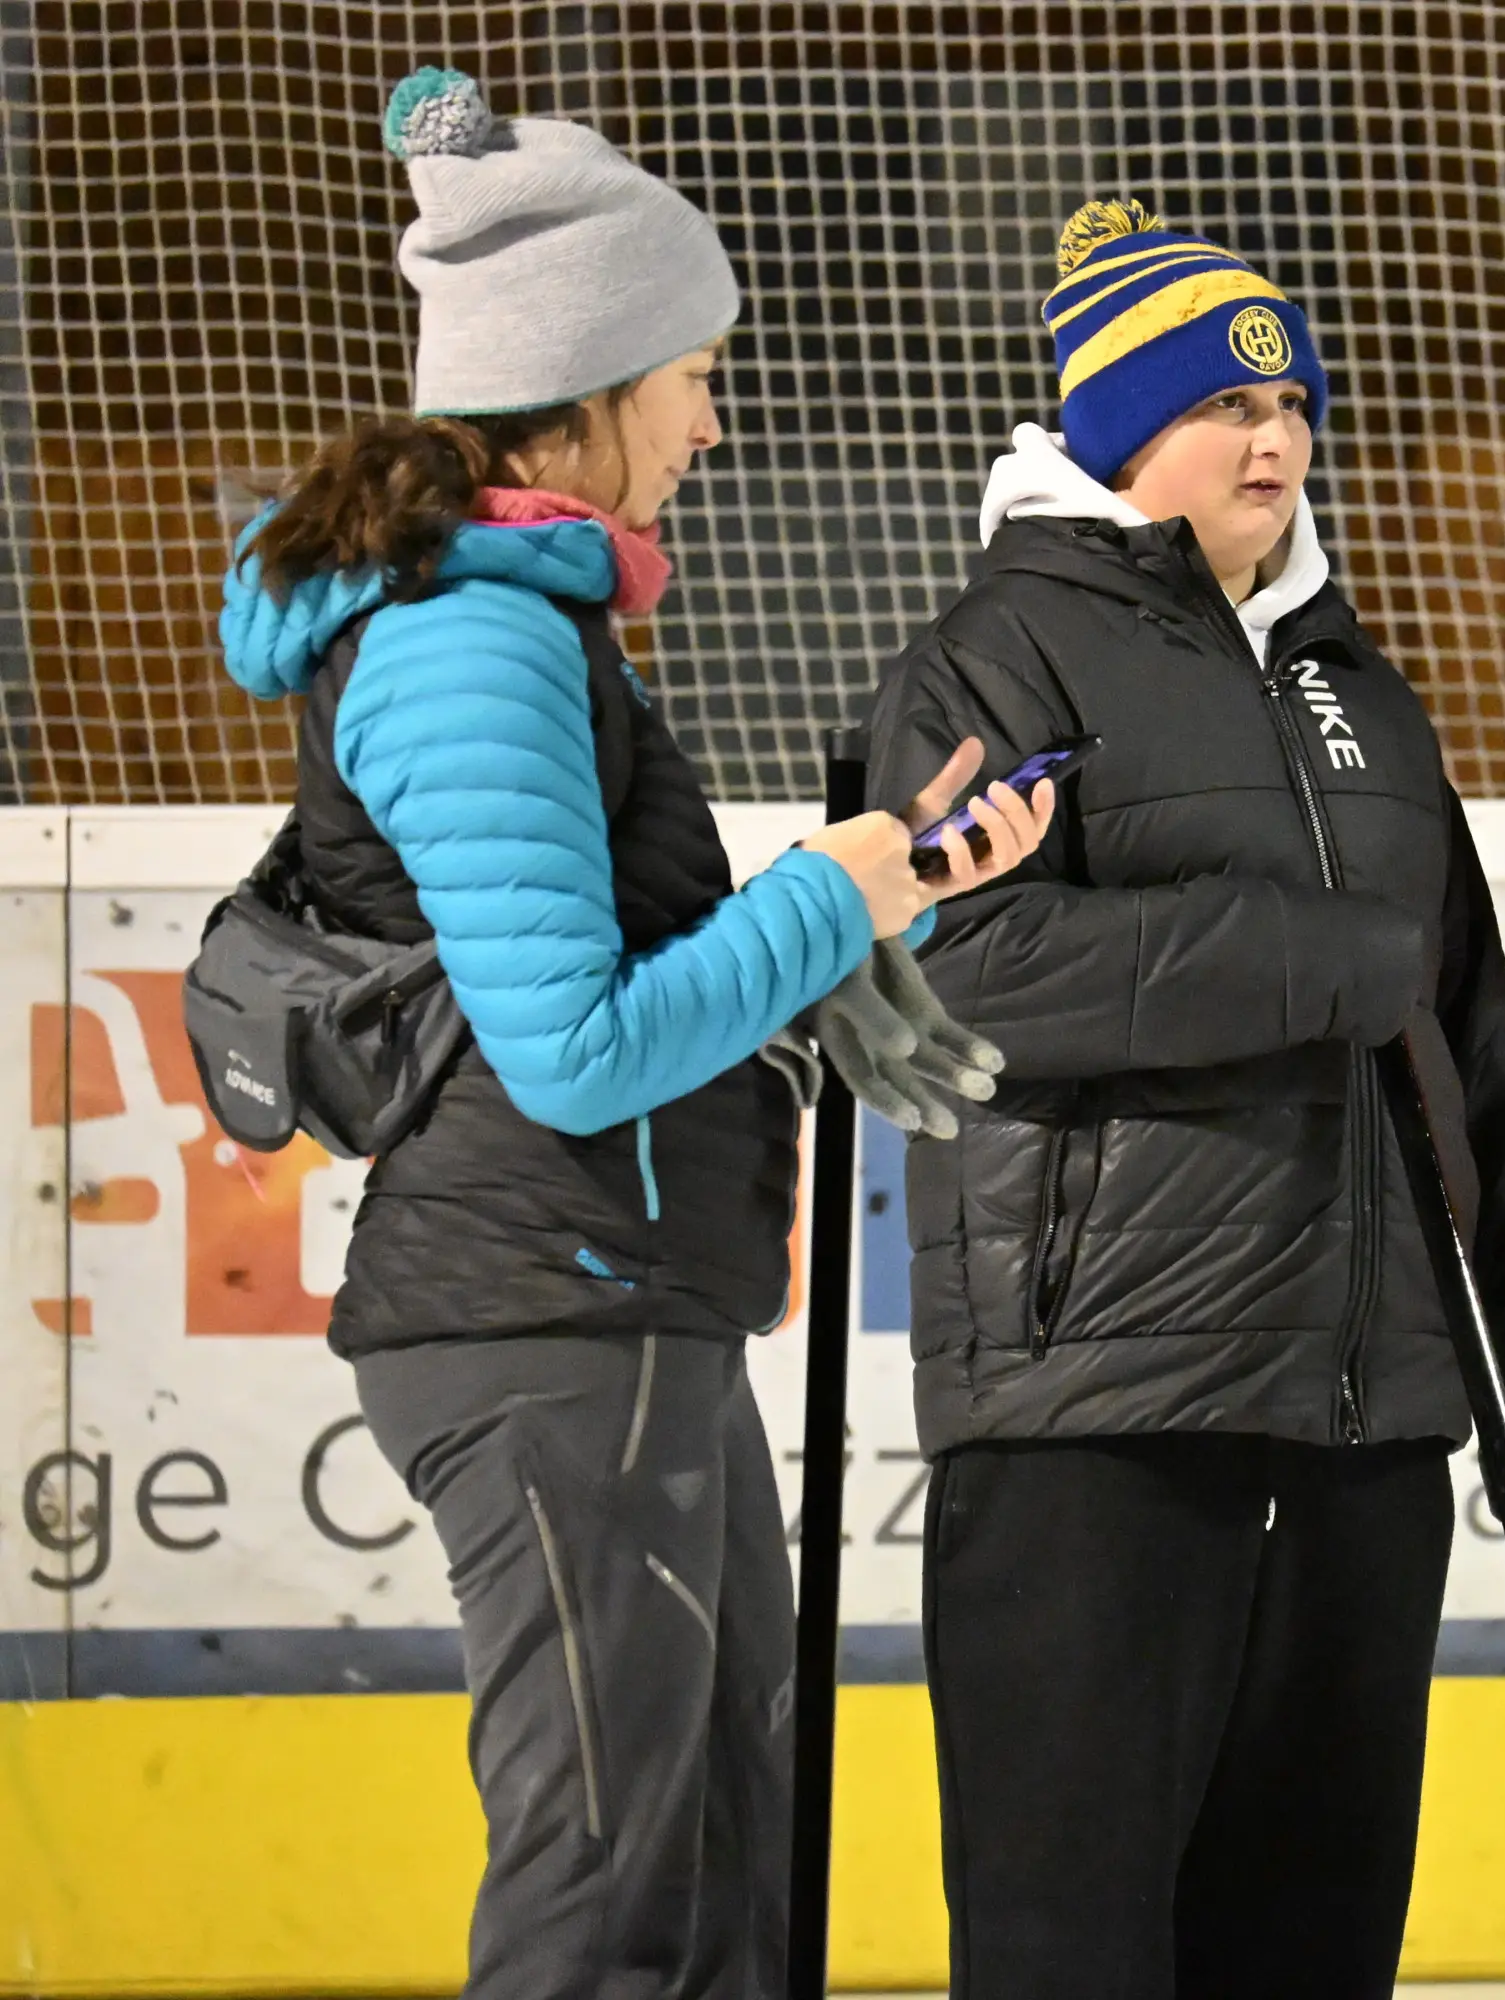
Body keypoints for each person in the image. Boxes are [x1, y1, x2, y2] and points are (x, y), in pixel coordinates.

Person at [215, 68, 1046, 1999]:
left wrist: (830, 947)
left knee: (715, 1869)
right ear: (580, 387)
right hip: (546, 1319)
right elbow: (577, 1050)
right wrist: (833, 899)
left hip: (613, 1309)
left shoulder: (522, 622)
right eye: (690, 371)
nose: (713, 415)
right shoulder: (466, 637)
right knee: (619, 1899)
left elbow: (589, 989)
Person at [862, 198, 1505, 1999]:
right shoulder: (994, 659)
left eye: (1294, 405)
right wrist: (1301, 953)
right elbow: (955, 973)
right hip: (1098, 1415)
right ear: (1119, 432)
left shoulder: (1365, 687)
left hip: (1367, 1429)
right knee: (1073, 1948)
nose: (1274, 437)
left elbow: (1466, 1057)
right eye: (1225, 405)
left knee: (1315, 1945)